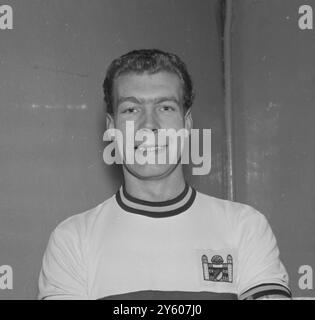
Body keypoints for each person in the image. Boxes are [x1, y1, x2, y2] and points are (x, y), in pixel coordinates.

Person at [38, 49, 291, 300]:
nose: (149, 125)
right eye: (131, 109)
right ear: (112, 128)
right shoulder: (72, 241)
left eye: (165, 108)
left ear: (187, 123)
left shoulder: (245, 227)